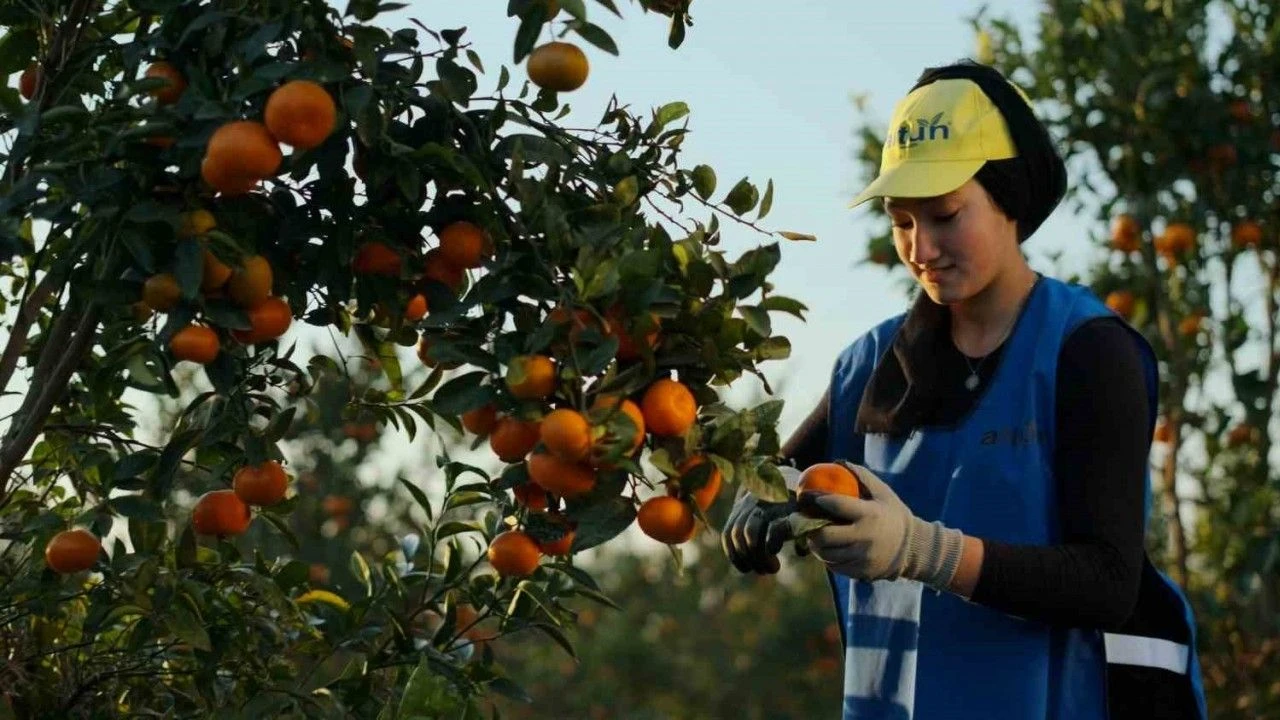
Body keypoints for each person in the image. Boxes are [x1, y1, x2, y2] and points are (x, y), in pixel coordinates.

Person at [721, 60, 1208, 720]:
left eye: (946, 215)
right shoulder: (870, 367)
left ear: (1009, 198)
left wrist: (923, 552)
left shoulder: (1087, 351)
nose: (922, 248)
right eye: (901, 221)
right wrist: (762, 495)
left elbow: (1108, 582)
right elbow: (784, 471)